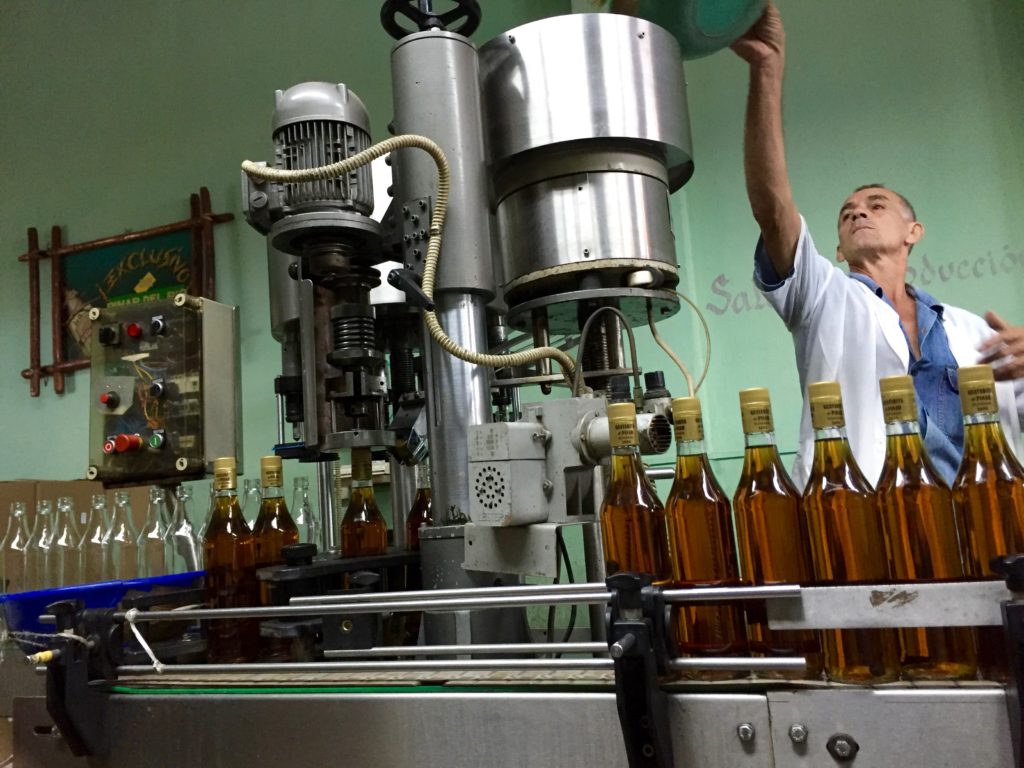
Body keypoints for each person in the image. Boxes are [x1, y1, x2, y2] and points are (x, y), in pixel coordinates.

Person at [731, 3, 1024, 488]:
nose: (858, 212)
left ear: (914, 232)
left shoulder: (973, 331)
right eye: (847, 212)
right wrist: (768, 66)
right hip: (866, 526)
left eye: (876, 204)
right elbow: (773, 208)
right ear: (838, 252)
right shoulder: (824, 299)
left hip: (982, 525)